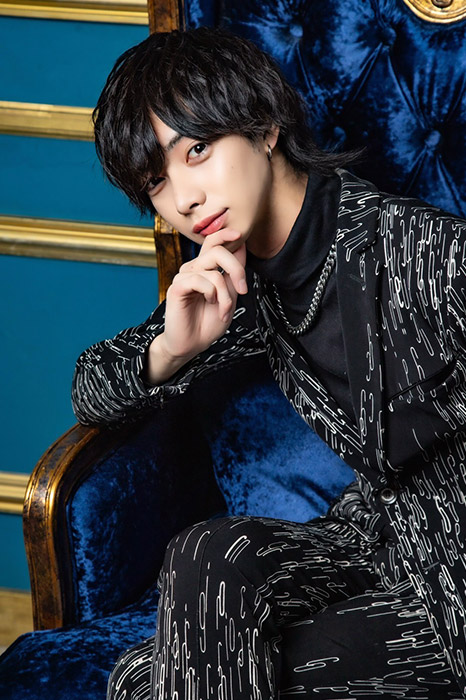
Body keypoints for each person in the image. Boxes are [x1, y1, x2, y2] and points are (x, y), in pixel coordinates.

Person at [72, 27, 466, 700]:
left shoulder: (426, 255)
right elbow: (92, 387)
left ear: (265, 127)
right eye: (157, 182)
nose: (184, 198)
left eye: (197, 150)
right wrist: (175, 348)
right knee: (207, 554)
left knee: (151, 683)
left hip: (452, 585)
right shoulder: (238, 285)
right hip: (375, 541)